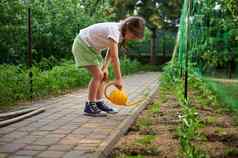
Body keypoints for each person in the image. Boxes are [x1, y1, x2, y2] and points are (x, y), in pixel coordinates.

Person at [72, 16, 145, 116]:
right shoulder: (115, 30)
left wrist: (105, 67)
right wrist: (119, 79)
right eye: (133, 36)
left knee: (103, 75)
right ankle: (89, 106)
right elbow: (115, 58)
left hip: (92, 49)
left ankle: (98, 102)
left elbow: (110, 53)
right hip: (83, 45)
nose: (132, 39)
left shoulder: (120, 34)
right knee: (98, 76)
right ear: (127, 27)